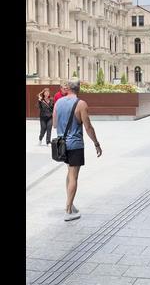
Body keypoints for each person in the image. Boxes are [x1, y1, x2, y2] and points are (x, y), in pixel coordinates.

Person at [53, 79, 102, 221]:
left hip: (61, 145)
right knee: (74, 176)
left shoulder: (58, 102)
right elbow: (88, 127)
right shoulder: (81, 104)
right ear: (78, 89)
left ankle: (70, 203)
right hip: (75, 144)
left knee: (69, 173)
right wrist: (96, 143)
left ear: (68, 88)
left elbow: (55, 124)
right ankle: (68, 210)